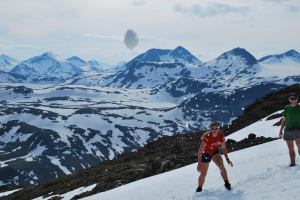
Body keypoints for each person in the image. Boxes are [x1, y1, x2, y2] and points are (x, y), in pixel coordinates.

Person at [196, 121, 233, 192]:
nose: (215, 130)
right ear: (210, 129)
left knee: (222, 166)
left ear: (218, 128)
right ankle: (199, 189)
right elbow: (200, 151)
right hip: (206, 153)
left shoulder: (220, 134)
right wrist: (199, 163)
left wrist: (227, 159)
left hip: (214, 151)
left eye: (216, 128)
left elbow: (224, 147)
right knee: (203, 173)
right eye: (213, 128)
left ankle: (227, 184)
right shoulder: (207, 137)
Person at [279, 93, 300, 167]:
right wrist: (280, 130)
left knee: (299, 146)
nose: (293, 100)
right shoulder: (286, 108)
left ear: (297, 99)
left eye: (295, 98)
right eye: (292, 99)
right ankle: (292, 163)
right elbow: (284, 119)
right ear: (289, 100)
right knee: (290, 148)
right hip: (288, 130)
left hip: (298, 129)